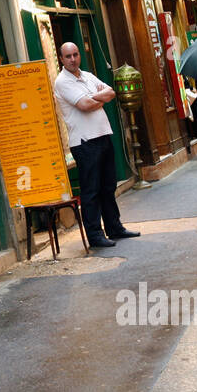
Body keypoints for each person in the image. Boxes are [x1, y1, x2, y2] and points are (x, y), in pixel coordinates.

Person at [53, 42, 140, 249]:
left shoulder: (88, 76)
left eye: (75, 54)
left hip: (103, 135)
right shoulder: (62, 82)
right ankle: (95, 235)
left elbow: (111, 92)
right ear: (61, 59)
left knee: (108, 186)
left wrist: (95, 99)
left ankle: (114, 227)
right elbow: (84, 105)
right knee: (91, 190)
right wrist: (98, 99)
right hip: (84, 142)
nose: (73, 59)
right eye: (68, 56)